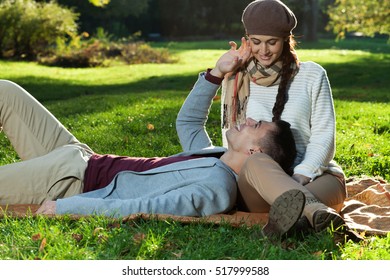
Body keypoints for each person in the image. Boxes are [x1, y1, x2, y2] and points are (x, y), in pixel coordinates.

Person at [0, 74, 297, 234]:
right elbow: (188, 122)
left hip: (70, 181)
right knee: (6, 91)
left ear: (253, 151)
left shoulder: (216, 187)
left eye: (255, 125)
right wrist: (216, 74)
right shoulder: (215, 155)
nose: (246, 120)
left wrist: (65, 208)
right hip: (79, 155)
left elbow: (148, 206)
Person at [208, 0, 347, 235]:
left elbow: (324, 135)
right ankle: (311, 213)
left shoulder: (312, 75)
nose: (264, 51)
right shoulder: (236, 78)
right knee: (255, 162)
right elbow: (230, 139)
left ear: (286, 39)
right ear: (247, 39)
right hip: (255, 182)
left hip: (312, 176)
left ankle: (292, 217)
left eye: (272, 42)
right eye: (256, 42)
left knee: (318, 191)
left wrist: (301, 175)